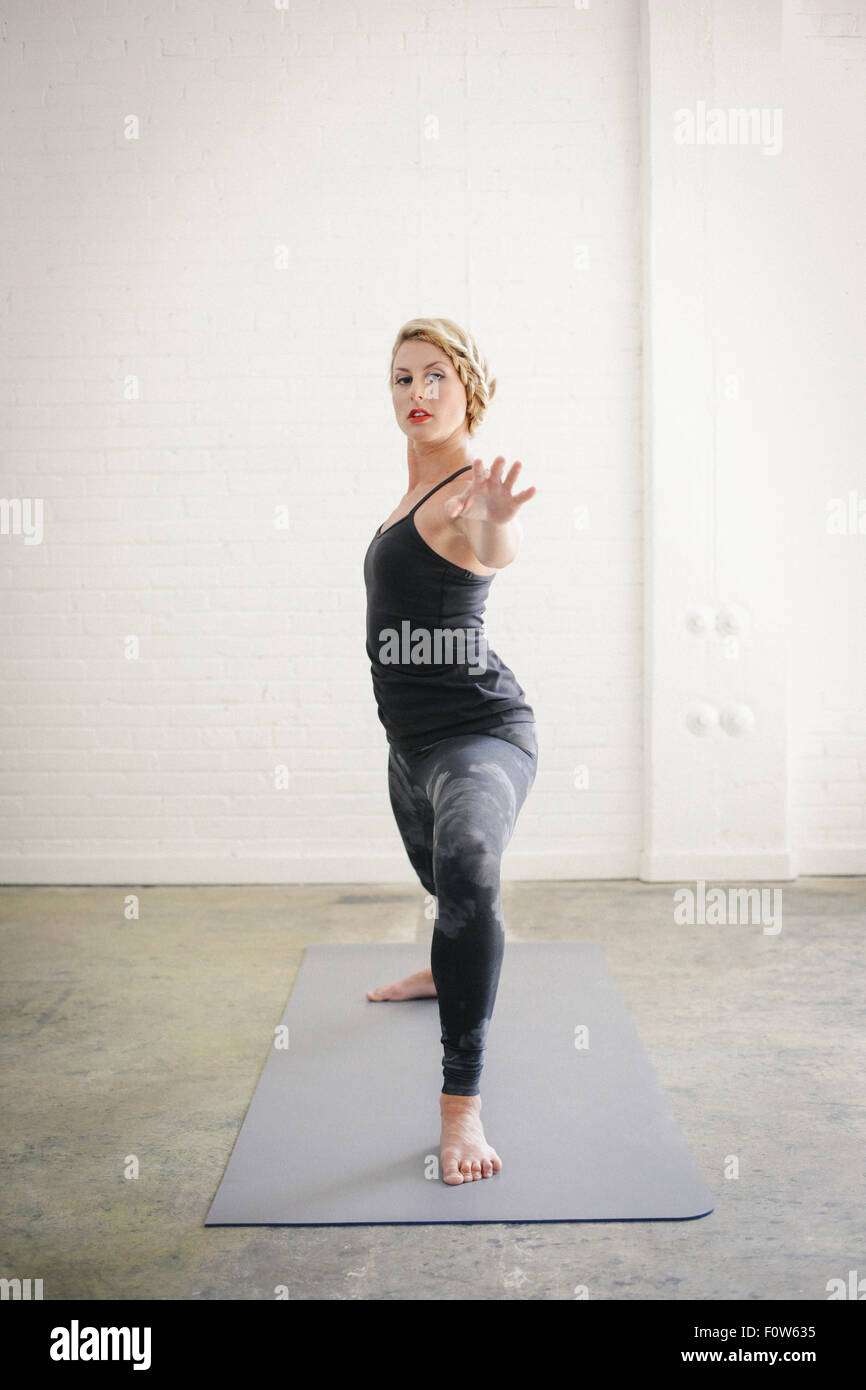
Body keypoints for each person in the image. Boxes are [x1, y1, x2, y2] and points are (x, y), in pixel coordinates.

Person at [363, 317, 538, 1185]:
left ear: (470, 387)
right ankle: (448, 966)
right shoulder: (406, 490)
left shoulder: (469, 493)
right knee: (444, 886)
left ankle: (462, 1107)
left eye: (435, 376)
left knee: (468, 865)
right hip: (410, 745)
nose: (417, 394)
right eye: (402, 379)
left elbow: (490, 546)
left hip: (480, 732)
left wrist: (498, 524)